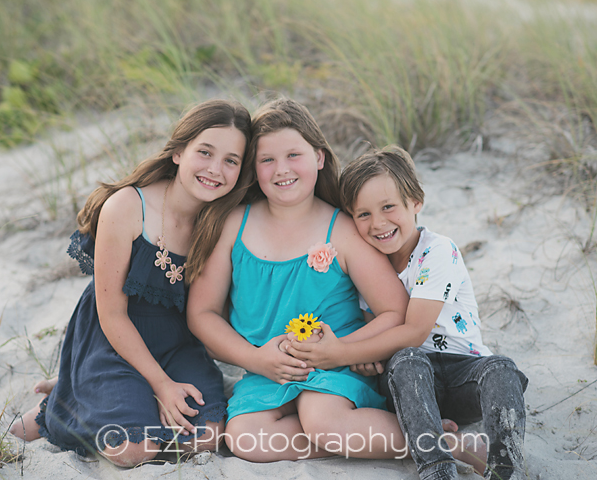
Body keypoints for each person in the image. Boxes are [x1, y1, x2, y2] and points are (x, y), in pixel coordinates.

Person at [186, 99, 480, 464]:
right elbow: (202, 312)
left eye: (294, 155)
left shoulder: (341, 228)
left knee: (323, 422)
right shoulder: (234, 225)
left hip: (337, 369)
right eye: (267, 160)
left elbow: (394, 310)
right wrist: (256, 359)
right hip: (267, 369)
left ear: (320, 158)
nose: (282, 170)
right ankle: (407, 430)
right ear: (254, 167)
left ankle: (434, 441)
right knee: (247, 440)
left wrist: (343, 351)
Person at [9, 100, 251, 468]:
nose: (215, 169)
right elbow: (111, 314)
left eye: (231, 160)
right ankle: (66, 400)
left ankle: (120, 399)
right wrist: (161, 385)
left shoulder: (223, 219)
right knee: (131, 450)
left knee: (204, 439)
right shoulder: (127, 206)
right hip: (113, 338)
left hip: (178, 343)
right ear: (178, 152)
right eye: (205, 152)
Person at [290, 146, 528, 480]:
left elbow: (415, 330)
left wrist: (343, 352)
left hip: (462, 371)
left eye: (388, 207)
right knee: (407, 361)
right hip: (407, 384)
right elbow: (376, 327)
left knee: (501, 367)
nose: (379, 223)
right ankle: (437, 468)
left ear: (415, 202)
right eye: (363, 214)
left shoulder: (436, 251)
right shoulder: (367, 265)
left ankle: (507, 466)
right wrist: (367, 358)